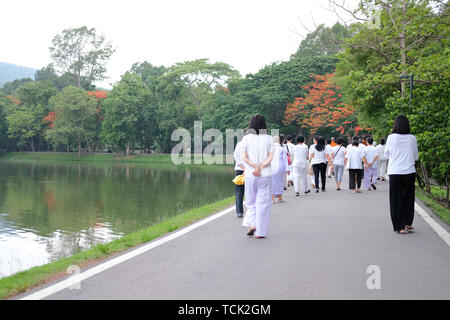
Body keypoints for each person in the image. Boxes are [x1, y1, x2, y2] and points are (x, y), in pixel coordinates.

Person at [241, 114, 274, 239]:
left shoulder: (246, 139)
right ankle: (260, 232)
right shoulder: (269, 138)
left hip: (250, 174)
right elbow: (270, 157)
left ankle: (253, 223)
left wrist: (255, 167)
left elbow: (245, 158)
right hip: (265, 174)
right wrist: (260, 167)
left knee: (251, 201)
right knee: (263, 203)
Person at [384, 115, 418, 234]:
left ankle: (400, 227)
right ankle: (408, 222)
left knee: (396, 199)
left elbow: (386, 154)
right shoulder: (412, 138)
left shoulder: (391, 138)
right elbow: (415, 156)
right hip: (409, 171)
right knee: (409, 198)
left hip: (395, 172)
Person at [271, 136, 289, 203]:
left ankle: (272, 199)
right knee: (280, 182)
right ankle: (280, 198)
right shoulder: (282, 149)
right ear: (279, 141)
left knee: (271, 182)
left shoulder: (270, 149)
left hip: (271, 167)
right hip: (280, 167)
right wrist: (287, 169)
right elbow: (285, 160)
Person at [233, 137, 245, 218]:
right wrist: (246, 169)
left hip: (240, 169)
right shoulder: (252, 144)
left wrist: (242, 168)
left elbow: (236, 156)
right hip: (249, 170)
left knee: (239, 191)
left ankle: (239, 211)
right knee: (251, 190)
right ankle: (253, 211)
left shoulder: (239, 144)